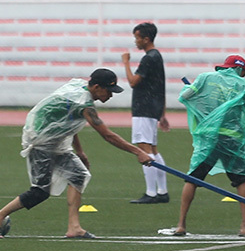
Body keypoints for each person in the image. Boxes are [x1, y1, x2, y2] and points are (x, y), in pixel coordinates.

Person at [0, 69, 152, 239]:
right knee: (40, 192)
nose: (110, 95)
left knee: (78, 175)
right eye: (108, 91)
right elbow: (107, 135)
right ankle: (0, 215)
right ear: (96, 87)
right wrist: (138, 151)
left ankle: (74, 227)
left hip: (54, 140)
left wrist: (79, 151)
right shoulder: (84, 105)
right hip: (40, 141)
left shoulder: (79, 86)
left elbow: (68, 122)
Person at [172, 55, 245, 237]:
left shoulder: (205, 78)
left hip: (208, 139)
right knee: (240, 180)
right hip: (233, 140)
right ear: (242, 71)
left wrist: (196, 99)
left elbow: (185, 96)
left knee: (192, 179)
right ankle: (244, 227)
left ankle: (181, 225)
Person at [122, 22, 170, 204]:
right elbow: (161, 86)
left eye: (137, 38)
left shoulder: (149, 58)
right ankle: (162, 191)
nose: (136, 41)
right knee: (154, 150)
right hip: (153, 108)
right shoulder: (157, 57)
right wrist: (162, 113)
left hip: (144, 108)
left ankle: (151, 193)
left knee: (144, 149)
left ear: (146, 39)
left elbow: (133, 82)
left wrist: (126, 62)